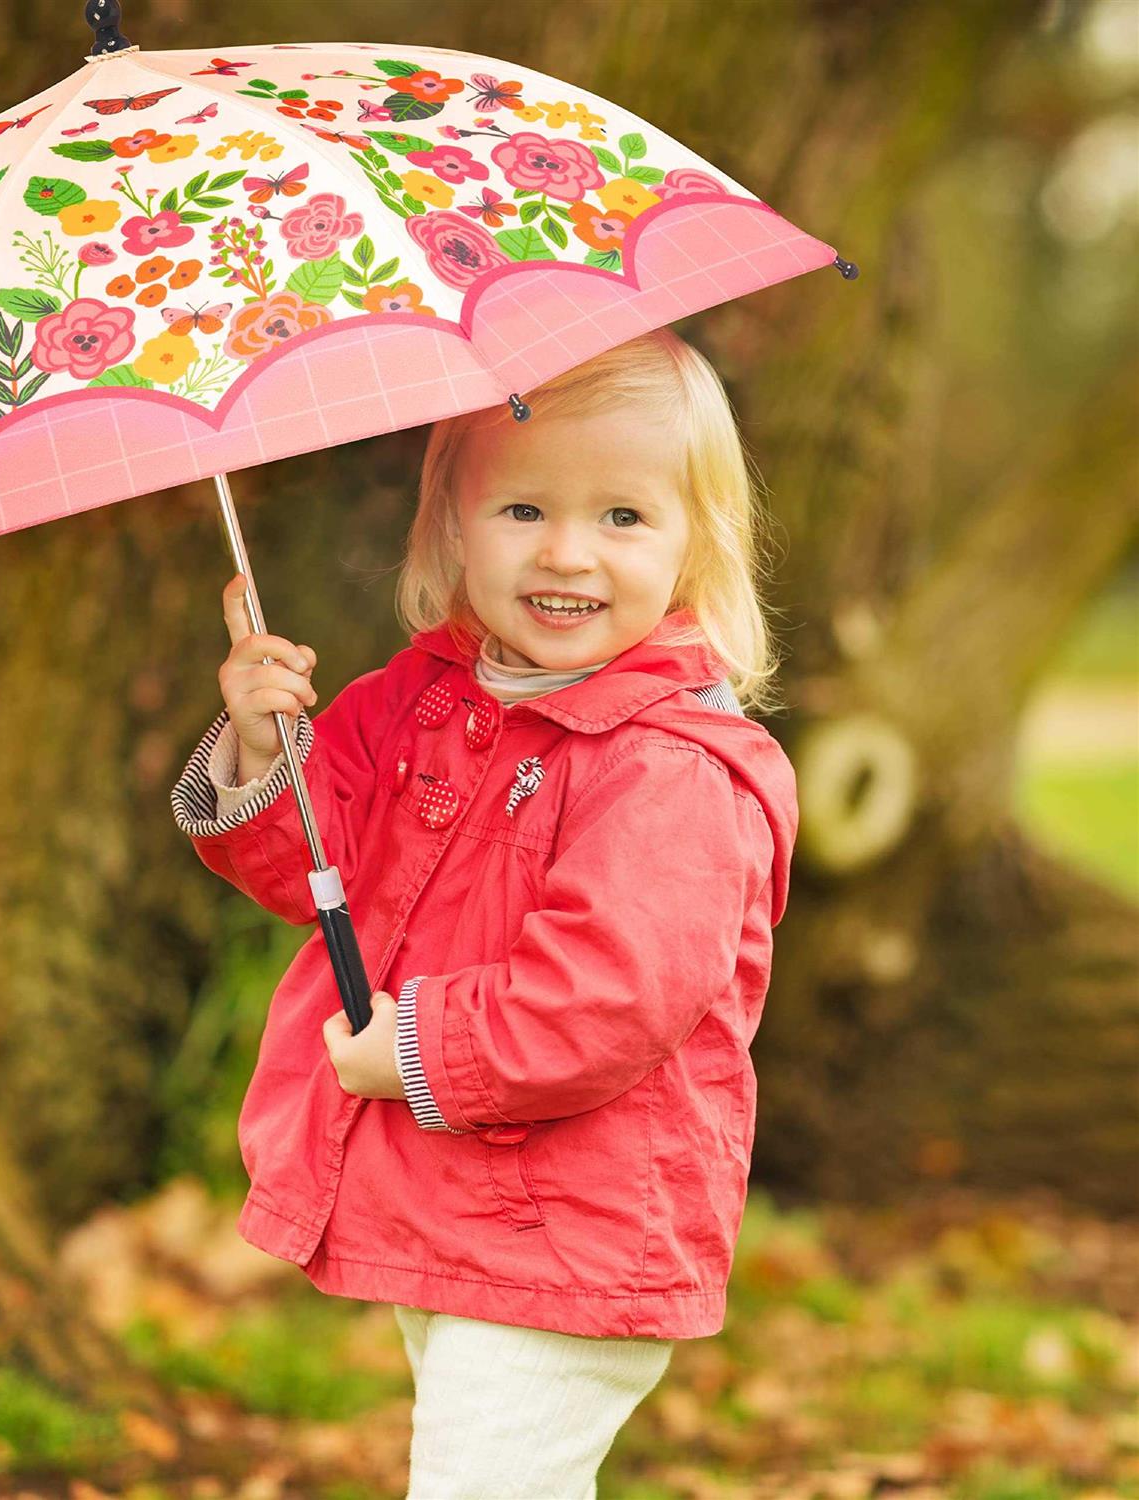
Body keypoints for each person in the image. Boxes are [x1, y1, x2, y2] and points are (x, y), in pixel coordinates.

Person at [170, 328, 799, 1500]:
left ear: (694, 545)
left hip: (580, 1217)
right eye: (523, 510)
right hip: (467, 1205)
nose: (569, 553)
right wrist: (265, 745)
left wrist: (409, 1048)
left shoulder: (674, 769)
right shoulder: (418, 703)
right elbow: (319, 863)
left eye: (623, 518)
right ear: (452, 528)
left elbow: (608, 996)